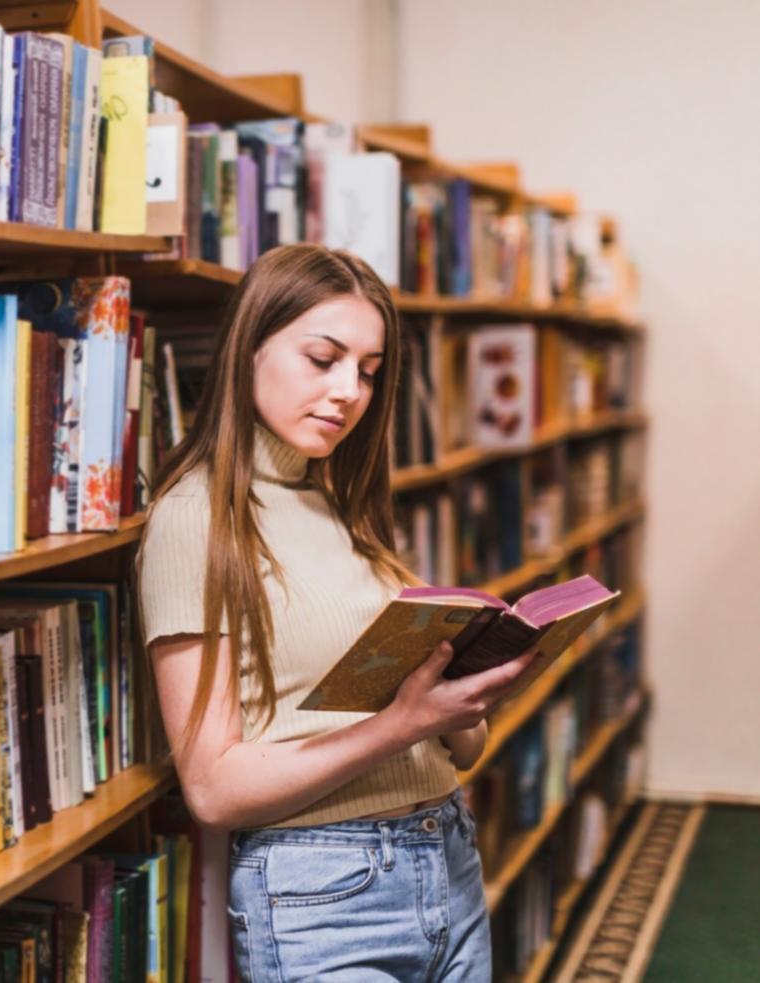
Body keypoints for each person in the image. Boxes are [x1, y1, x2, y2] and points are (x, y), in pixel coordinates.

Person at [136, 244, 536, 981]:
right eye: (323, 358)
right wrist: (403, 722)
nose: (349, 390)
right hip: (325, 891)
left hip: (447, 854)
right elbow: (213, 788)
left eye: (369, 370)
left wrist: (467, 689)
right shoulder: (196, 519)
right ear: (249, 348)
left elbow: (462, 747)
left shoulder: (337, 503)